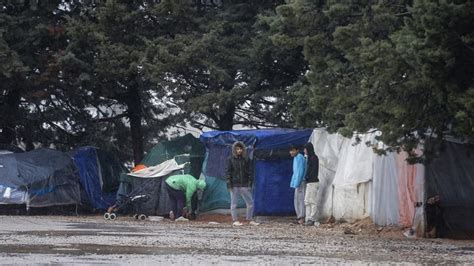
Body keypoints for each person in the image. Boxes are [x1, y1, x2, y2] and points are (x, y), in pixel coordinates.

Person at [225, 141, 259, 226]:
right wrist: (229, 184)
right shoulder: (230, 159)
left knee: (250, 202)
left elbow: (250, 172)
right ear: (234, 150)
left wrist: (249, 184)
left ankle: (250, 219)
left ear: (243, 149)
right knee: (234, 204)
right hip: (235, 185)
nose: (239, 150)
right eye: (237, 149)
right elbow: (228, 172)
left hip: (244, 185)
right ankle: (235, 220)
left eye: (240, 149)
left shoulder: (246, 159)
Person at [303, 142, 320, 226]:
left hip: (313, 182)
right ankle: (308, 217)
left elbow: (313, 171)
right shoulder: (309, 158)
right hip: (309, 182)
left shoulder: (314, 158)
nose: (304, 151)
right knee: (307, 201)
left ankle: (312, 218)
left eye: (305, 149)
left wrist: (308, 177)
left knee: (312, 201)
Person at [290, 144, 306, 225]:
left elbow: (300, 172)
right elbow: (295, 172)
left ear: (297, 150)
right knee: (297, 199)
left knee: (301, 199)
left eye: (292, 150)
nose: (291, 152)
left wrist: (297, 182)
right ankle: (299, 216)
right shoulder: (296, 158)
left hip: (301, 181)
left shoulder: (299, 157)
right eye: (290, 151)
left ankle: (302, 217)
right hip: (297, 182)